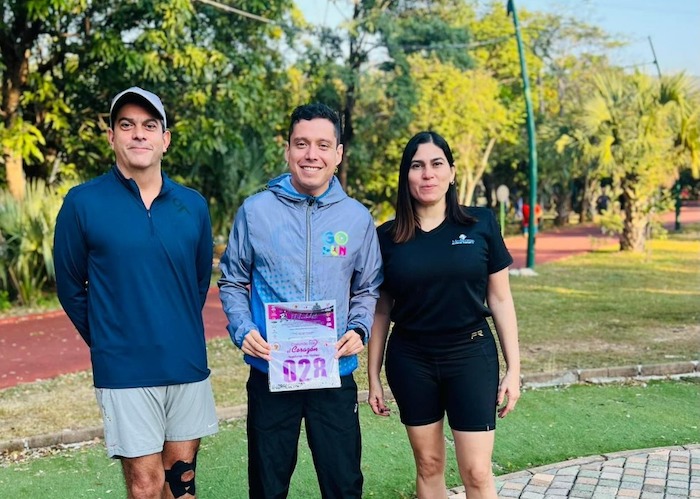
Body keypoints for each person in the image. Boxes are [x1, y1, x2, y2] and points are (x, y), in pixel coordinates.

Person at [54, 87, 218, 499]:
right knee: (145, 486)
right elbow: (71, 286)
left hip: (185, 363)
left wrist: (175, 329)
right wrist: (110, 339)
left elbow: (198, 282)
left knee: (182, 484)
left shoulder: (193, 206)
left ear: (165, 139)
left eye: (149, 126)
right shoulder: (81, 203)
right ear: (112, 136)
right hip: (124, 370)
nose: (138, 134)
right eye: (126, 125)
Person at [218, 102, 383, 498]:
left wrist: (359, 327)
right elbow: (232, 280)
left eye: (324, 145)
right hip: (271, 371)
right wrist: (244, 329)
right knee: (268, 486)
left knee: (344, 485)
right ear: (288, 150)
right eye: (302, 144)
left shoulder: (356, 218)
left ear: (339, 154)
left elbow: (367, 287)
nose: (312, 154)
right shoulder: (255, 212)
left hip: (334, 371)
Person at [367, 131, 520, 499]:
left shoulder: (480, 224)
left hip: (470, 355)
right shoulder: (387, 237)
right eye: (417, 166)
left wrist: (514, 369)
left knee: (477, 471)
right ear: (406, 176)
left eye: (437, 164)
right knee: (430, 466)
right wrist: (372, 376)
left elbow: (500, 299)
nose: (427, 174)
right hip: (411, 360)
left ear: (451, 172)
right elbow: (381, 310)